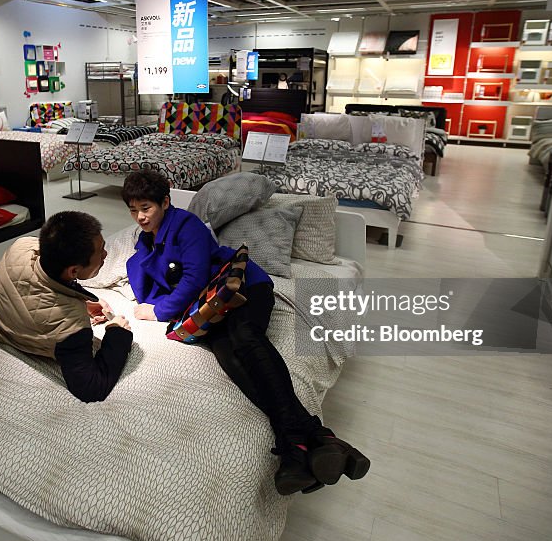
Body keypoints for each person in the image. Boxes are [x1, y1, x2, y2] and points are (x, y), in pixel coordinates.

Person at [120, 170, 369, 495]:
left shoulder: (186, 226)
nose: (140, 217)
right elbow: (146, 294)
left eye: (146, 208)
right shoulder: (145, 246)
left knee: (247, 340)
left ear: (165, 203)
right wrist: (143, 263)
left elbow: (192, 280)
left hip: (243, 287)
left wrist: (159, 311)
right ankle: (316, 439)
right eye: (133, 210)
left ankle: (294, 446)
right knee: (230, 359)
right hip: (208, 312)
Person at [0, 211, 133, 403]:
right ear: (74, 270)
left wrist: (82, 299)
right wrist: (117, 334)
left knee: (14, 274)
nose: (106, 254)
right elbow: (90, 388)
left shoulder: (23, 246)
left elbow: (37, 286)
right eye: (101, 251)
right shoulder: (71, 324)